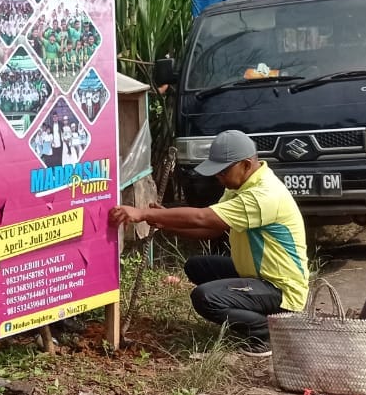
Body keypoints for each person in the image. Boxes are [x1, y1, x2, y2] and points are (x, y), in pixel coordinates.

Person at [108, 130, 308, 356]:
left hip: (279, 289)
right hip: (256, 274)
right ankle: (252, 315)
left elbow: (203, 217)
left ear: (245, 165)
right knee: (196, 266)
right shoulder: (242, 186)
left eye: (223, 171)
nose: (218, 177)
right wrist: (165, 222)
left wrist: (144, 214)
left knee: (205, 298)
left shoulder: (264, 195)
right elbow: (212, 229)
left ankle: (266, 333)